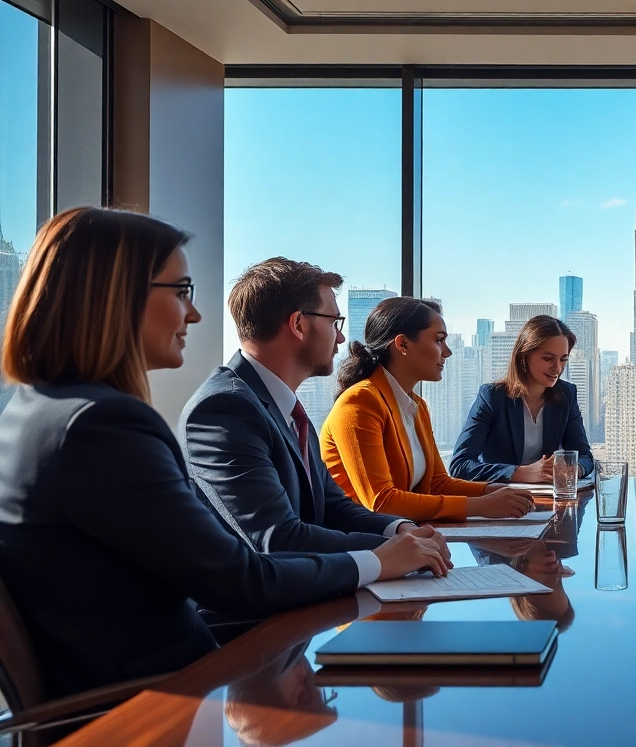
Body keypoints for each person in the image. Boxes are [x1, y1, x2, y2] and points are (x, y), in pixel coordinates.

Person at [0, 208, 446, 699]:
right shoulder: (104, 427)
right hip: (166, 699)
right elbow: (242, 578)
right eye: (181, 292)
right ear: (116, 296)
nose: (193, 314)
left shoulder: (48, 411)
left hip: (183, 680)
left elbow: (321, 506)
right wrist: (381, 561)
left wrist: (393, 535)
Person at [181, 257, 447, 556]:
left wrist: (398, 528)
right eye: (334, 322)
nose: (342, 337)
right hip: (268, 600)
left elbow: (333, 506)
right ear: (298, 324)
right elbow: (278, 538)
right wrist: (393, 549)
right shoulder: (225, 409)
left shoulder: (283, 404)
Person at [321, 296, 533, 522]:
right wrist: (480, 506)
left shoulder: (417, 406)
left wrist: (493, 492)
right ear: (402, 344)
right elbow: (382, 503)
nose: (447, 351)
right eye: (439, 340)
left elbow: (437, 483)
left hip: (402, 535)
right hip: (359, 542)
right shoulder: (359, 402)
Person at [450, 315, 593, 483]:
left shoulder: (567, 395)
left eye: (563, 359)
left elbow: (585, 456)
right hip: (500, 501)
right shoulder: (492, 397)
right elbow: (460, 465)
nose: (557, 368)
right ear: (524, 356)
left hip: (548, 500)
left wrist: (574, 469)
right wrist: (520, 473)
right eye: (547, 358)